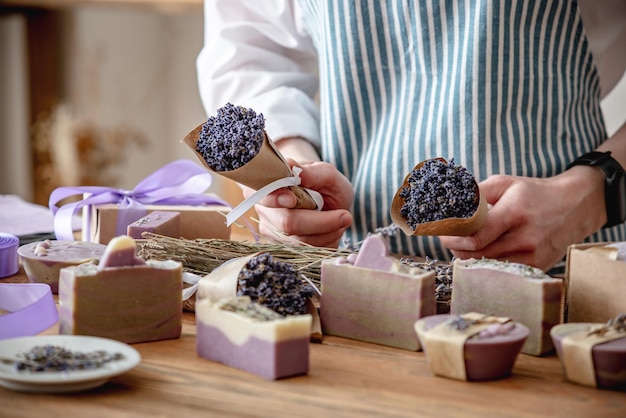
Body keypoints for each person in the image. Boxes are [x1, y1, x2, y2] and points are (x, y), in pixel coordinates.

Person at [196, 0, 626, 272]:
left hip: (571, 273)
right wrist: (294, 175)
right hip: (356, 275)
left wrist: (591, 194)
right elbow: (254, 53)